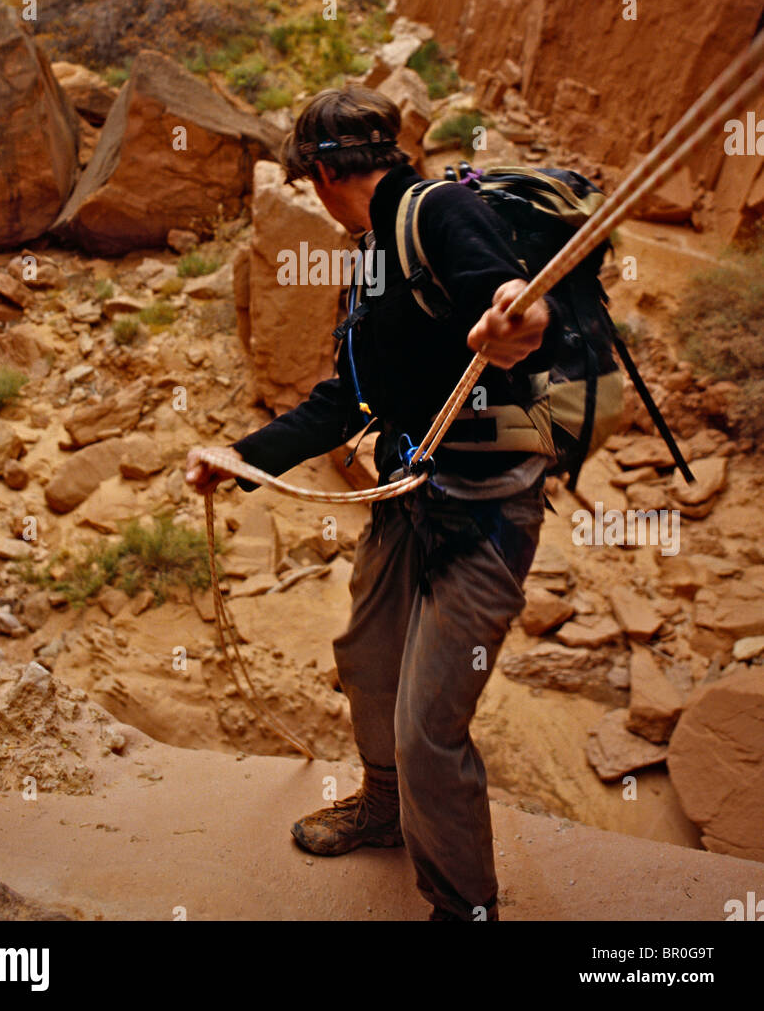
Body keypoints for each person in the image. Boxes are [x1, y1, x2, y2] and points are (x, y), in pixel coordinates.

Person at [186, 86, 561, 921]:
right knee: (366, 656)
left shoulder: (438, 214)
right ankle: (385, 810)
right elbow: (349, 400)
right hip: (412, 498)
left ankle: (463, 906)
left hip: (486, 514)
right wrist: (240, 459)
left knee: (429, 728)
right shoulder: (374, 255)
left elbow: (523, 307)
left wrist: (519, 320)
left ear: (320, 173)